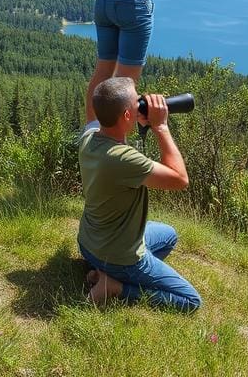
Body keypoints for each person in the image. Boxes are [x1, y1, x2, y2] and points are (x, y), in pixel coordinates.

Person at [78, 77, 201, 312]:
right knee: (190, 301)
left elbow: (113, 134)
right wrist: (161, 127)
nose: (142, 103)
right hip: (118, 255)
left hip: (88, 244)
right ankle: (116, 287)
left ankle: (102, 272)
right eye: (138, 102)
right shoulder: (122, 159)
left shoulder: (89, 137)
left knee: (169, 235)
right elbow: (180, 179)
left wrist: (133, 117)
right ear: (126, 116)